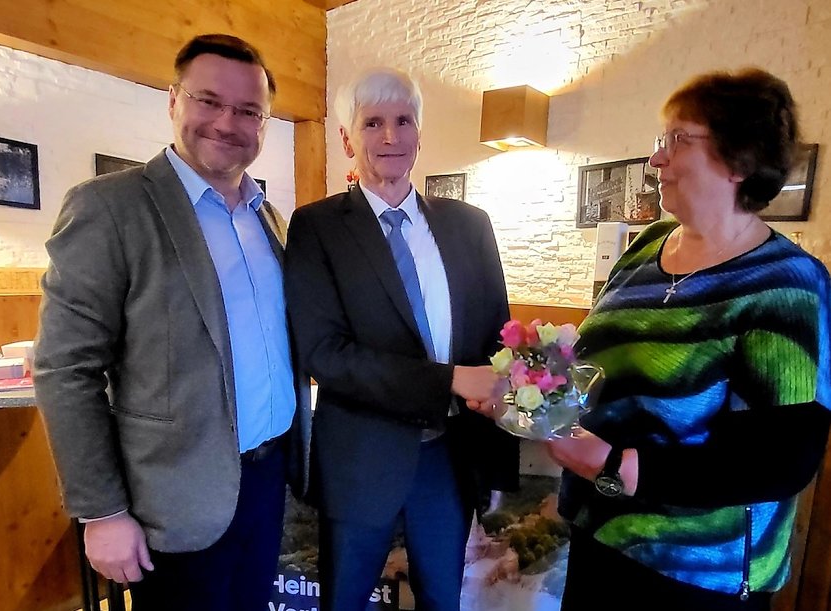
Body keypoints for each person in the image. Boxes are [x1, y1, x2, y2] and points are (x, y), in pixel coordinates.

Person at [34, 33, 311, 611]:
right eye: (208, 100)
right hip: (173, 499)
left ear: (264, 124)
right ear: (173, 100)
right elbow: (66, 370)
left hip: (266, 480)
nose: (227, 123)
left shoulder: (271, 220)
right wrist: (101, 512)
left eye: (248, 111)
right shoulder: (111, 209)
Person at [541, 68, 831, 610]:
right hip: (601, 532)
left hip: (697, 569)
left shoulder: (786, 285)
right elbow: (599, 359)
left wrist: (619, 465)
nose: (656, 159)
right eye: (661, 140)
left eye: (678, 140)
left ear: (739, 161)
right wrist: (533, 388)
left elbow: (784, 459)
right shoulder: (647, 245)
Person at [284, 68, 519, 611]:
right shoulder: (317, 227)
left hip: (448, 458)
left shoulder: (470, 225)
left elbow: (497, 340)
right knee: (344, 601)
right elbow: (325, 354)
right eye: (372, 123)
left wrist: (501, 441)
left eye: (402, 121)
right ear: (347, 137)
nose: (389, 136)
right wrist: (450, 380)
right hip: (362, 458)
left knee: (443, 600)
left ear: (419, 132)